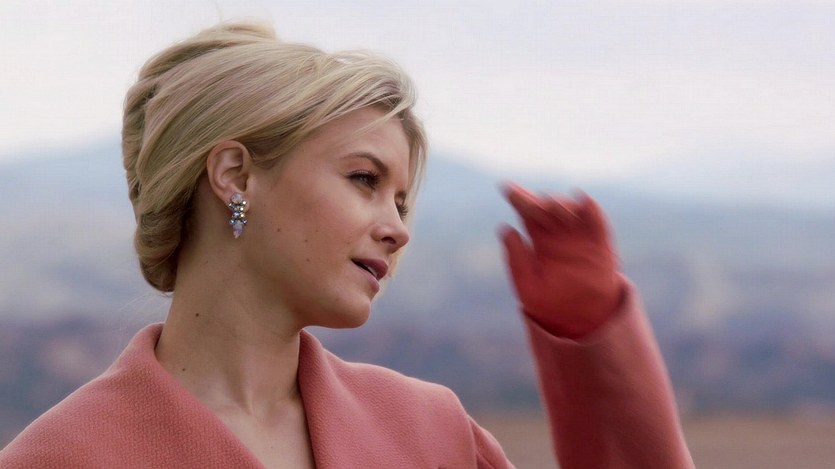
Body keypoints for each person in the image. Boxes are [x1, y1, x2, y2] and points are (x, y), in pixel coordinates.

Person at [0, 21, 693, 468]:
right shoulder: (64, 457)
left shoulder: (429, 433)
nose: (398, 227)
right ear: (235, 174)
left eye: (402, 199)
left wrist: (594, 348)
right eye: (364, 179)